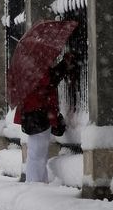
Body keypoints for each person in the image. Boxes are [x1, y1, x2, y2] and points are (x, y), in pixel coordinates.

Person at [14, 53, 76, 183]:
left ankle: (38, 182)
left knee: (36, 153)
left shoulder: (28, 66)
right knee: (38, 154)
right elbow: (49, 81)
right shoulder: (37, 67)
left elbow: (49, 79)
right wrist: (64, 65)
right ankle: (35, 183)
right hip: (38, 114)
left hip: (32, 114)